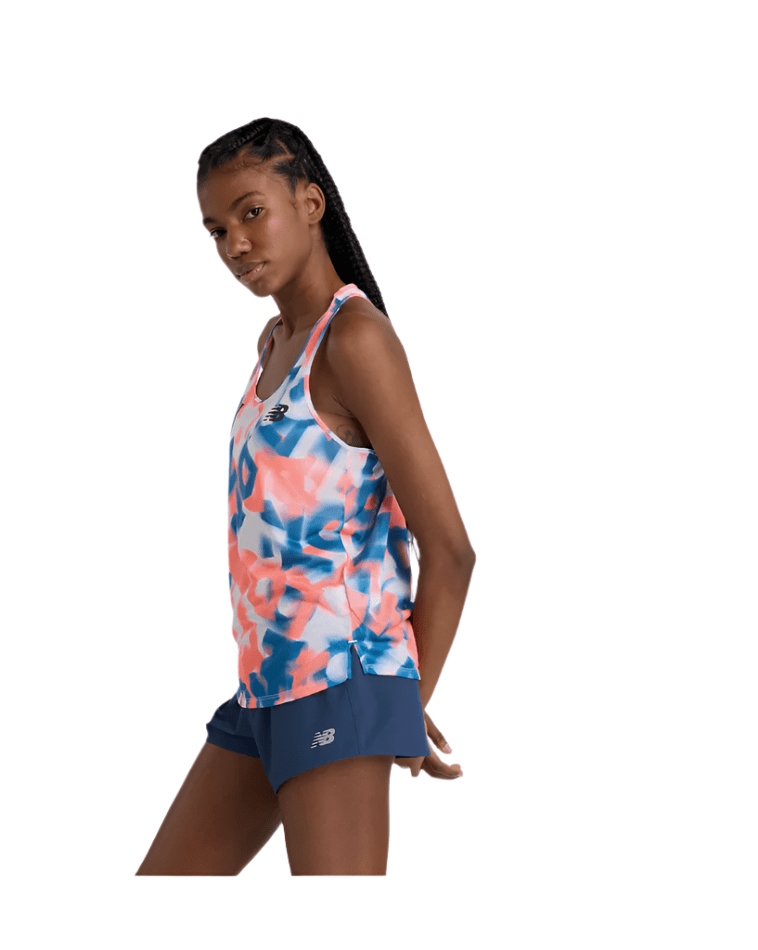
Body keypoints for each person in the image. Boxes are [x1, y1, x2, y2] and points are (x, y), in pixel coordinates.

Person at [136, 118, 476, 876]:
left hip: (339, 690)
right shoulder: (273, 342)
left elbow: (451, 550)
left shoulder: (355, 341)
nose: (235, 244)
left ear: (311, 203)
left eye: (251, 213)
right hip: (262, 691)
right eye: (216, 230)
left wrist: (402, 704)